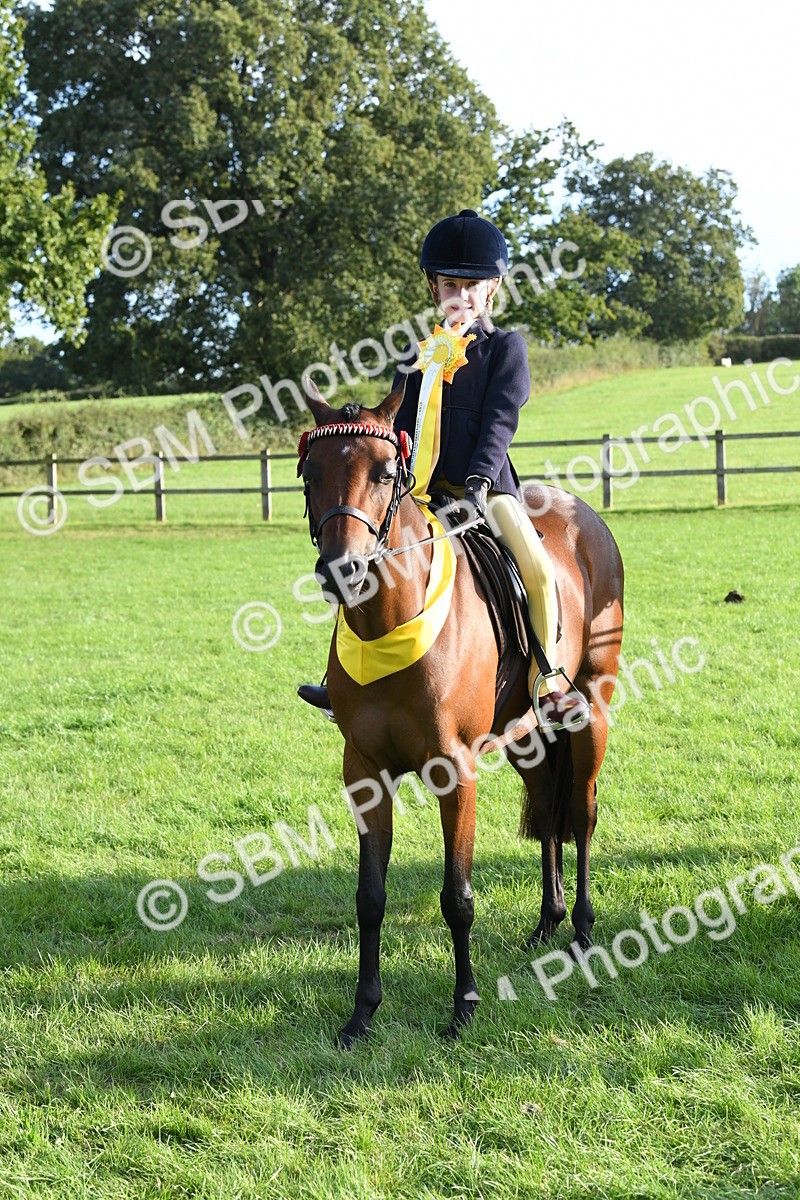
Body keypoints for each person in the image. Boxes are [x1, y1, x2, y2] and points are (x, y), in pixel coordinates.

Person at [299, 208, 590, 727]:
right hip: (421, 494)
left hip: (487, 492)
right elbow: (397, 425)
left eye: (472, 286)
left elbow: (500, 422)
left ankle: (549, 682)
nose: (462, 295)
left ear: (493, 289)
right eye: (451, 284)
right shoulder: (415, 355)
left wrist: (479, 483)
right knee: (358, 557)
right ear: (434, 288)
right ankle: (341, 677)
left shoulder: (506, 349)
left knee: (539, 569)